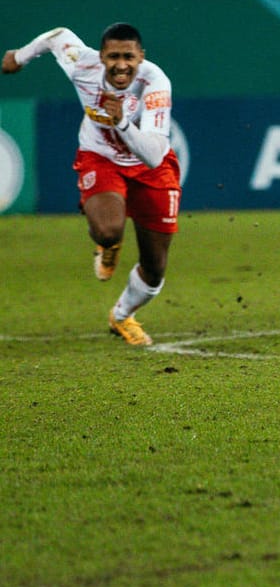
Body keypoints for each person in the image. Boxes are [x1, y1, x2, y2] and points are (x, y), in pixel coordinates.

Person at [3, 23, 179, 345]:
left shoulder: (155, 83)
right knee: (109, 229)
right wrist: (20, 56)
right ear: (101, 56)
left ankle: (121, 316)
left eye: (129, 56)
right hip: (100, 157)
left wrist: (121, 122)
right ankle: (107, 242)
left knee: (155, 268)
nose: (121, 64)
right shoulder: (82, 63)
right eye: (113, 56)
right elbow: (56, 36)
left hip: (151, 170)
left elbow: (154, 155)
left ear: (141, 57)